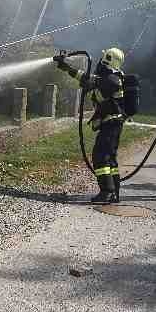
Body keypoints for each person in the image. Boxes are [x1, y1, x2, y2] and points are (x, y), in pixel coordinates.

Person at [55, 47, 127, 203]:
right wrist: (66, 67)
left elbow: (102, 84)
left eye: (104, 57)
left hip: (111, 123)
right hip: (111, 124)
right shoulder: (107, 77)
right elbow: (86, 77)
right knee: (109, 159)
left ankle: (107, 192)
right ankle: (113, 193)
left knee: (101, 157)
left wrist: (92, 83)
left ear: (108, 59)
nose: (101, 60)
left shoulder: (112, 78)